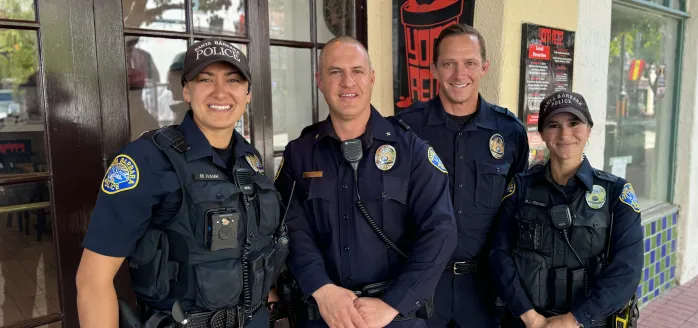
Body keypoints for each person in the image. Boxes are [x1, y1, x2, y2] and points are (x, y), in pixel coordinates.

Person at [76, 38, 285, 328]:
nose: (220, 92)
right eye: (206, 80)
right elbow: (92, 281)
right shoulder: (146, 160)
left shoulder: (249, 158)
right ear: (187, 90)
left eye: (233, 80)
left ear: (247, 93)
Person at [274, 36, 457, 328]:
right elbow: (291, 229)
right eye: (335, 72)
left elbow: (441, 232)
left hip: (395, 317)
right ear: (319, 80)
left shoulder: (412, 150)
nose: (348, 82)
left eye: (357, 71)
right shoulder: (300, 153)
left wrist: (393, 303)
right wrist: (321, 288)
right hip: (325, 314)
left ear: (371, 78)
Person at [396, 23, 529, 328]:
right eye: (448, 64)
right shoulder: (405, 130)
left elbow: (516, 214)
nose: (459, 74)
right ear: (433, 69)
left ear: (484, 67)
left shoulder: (509, 132)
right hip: (419, 286)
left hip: (484, 289)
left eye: (469, 63)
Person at [490, 91, 643, 328]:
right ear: (541, 133)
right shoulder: (521, 187)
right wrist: (530, 317)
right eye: (553, 125)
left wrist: (573, 320)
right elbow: (499, 254)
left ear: (589, 129)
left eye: (574, 123)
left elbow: (626, 271)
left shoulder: (616, 193)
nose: (564, 134)